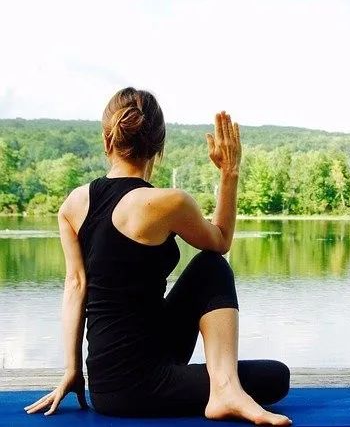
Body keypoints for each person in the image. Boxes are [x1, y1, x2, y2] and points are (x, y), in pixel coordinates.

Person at [23, 87, 293, 425]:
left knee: (209, 267)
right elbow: (221, 241)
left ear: (108, 141)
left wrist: (73, 371)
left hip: (106, 387)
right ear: (159, 147)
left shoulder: (73, 205)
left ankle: (224, 387)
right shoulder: (168, 203)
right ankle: (225, 388)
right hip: (140, 386)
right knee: (274, 375)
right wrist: (229, 173)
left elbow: (76, 287)